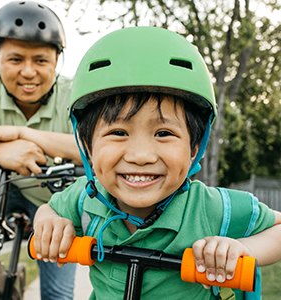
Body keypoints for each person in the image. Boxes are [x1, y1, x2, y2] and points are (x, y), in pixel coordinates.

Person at [32, 26, 281, 299]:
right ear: (87, 147)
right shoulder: (84, 199)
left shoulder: (211, 209)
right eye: (118, 133)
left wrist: (243, 250)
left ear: (194, 148)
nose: (141, 156)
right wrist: (48, 222)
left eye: (163, 133)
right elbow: (49, 209)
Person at [0, 1, 81, 299]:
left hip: (57, 202)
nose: (28, 72)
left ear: (57, 62)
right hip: (2, 184)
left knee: (58, 296)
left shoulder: (74, 94)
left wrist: (22, 134)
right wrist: (0, 152)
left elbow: (95, 150)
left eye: (40, 61)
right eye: (15, 59)